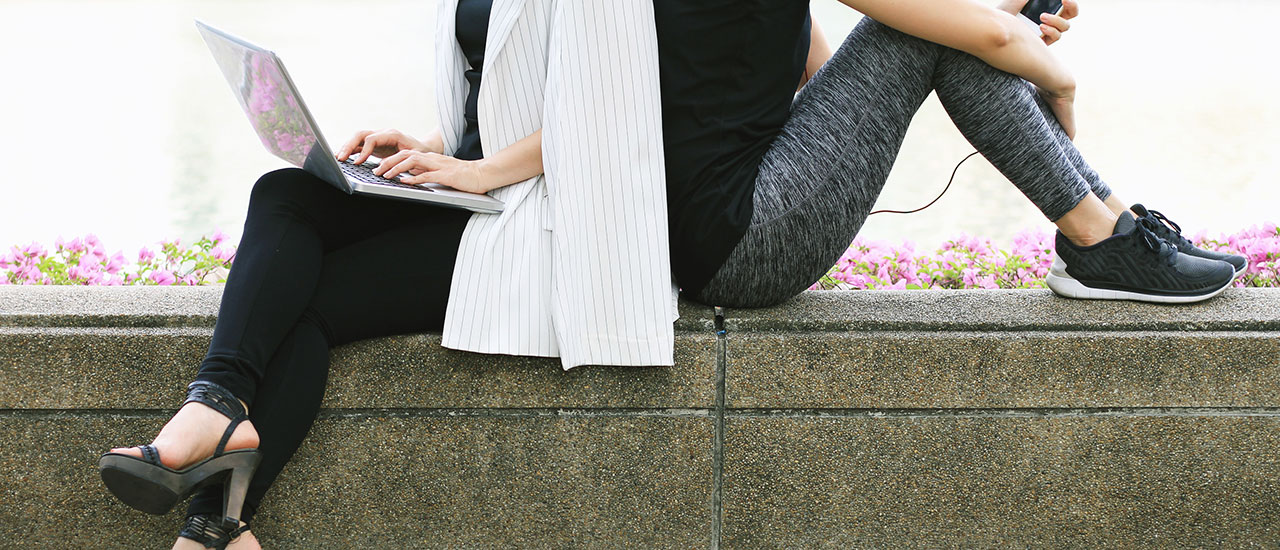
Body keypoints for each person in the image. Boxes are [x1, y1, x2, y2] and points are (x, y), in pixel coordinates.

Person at [97, 1, 675, 548]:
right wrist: (427, 146)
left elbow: (607, 112)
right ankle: (217, 408)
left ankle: (210, 521)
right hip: (477, 186)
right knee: (286, 192)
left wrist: (479, 171)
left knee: (307, 302)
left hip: (545, 216)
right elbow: (500, 95)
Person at [653, 0, 1247, 308]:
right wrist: (1056, 83)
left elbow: (828, 82)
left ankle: (1117, 228)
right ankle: (1099, 239)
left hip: (711, 229)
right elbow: (972, 34)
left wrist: (1004, 29)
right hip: (742, 242)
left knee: (943, 28)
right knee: (932, 31)